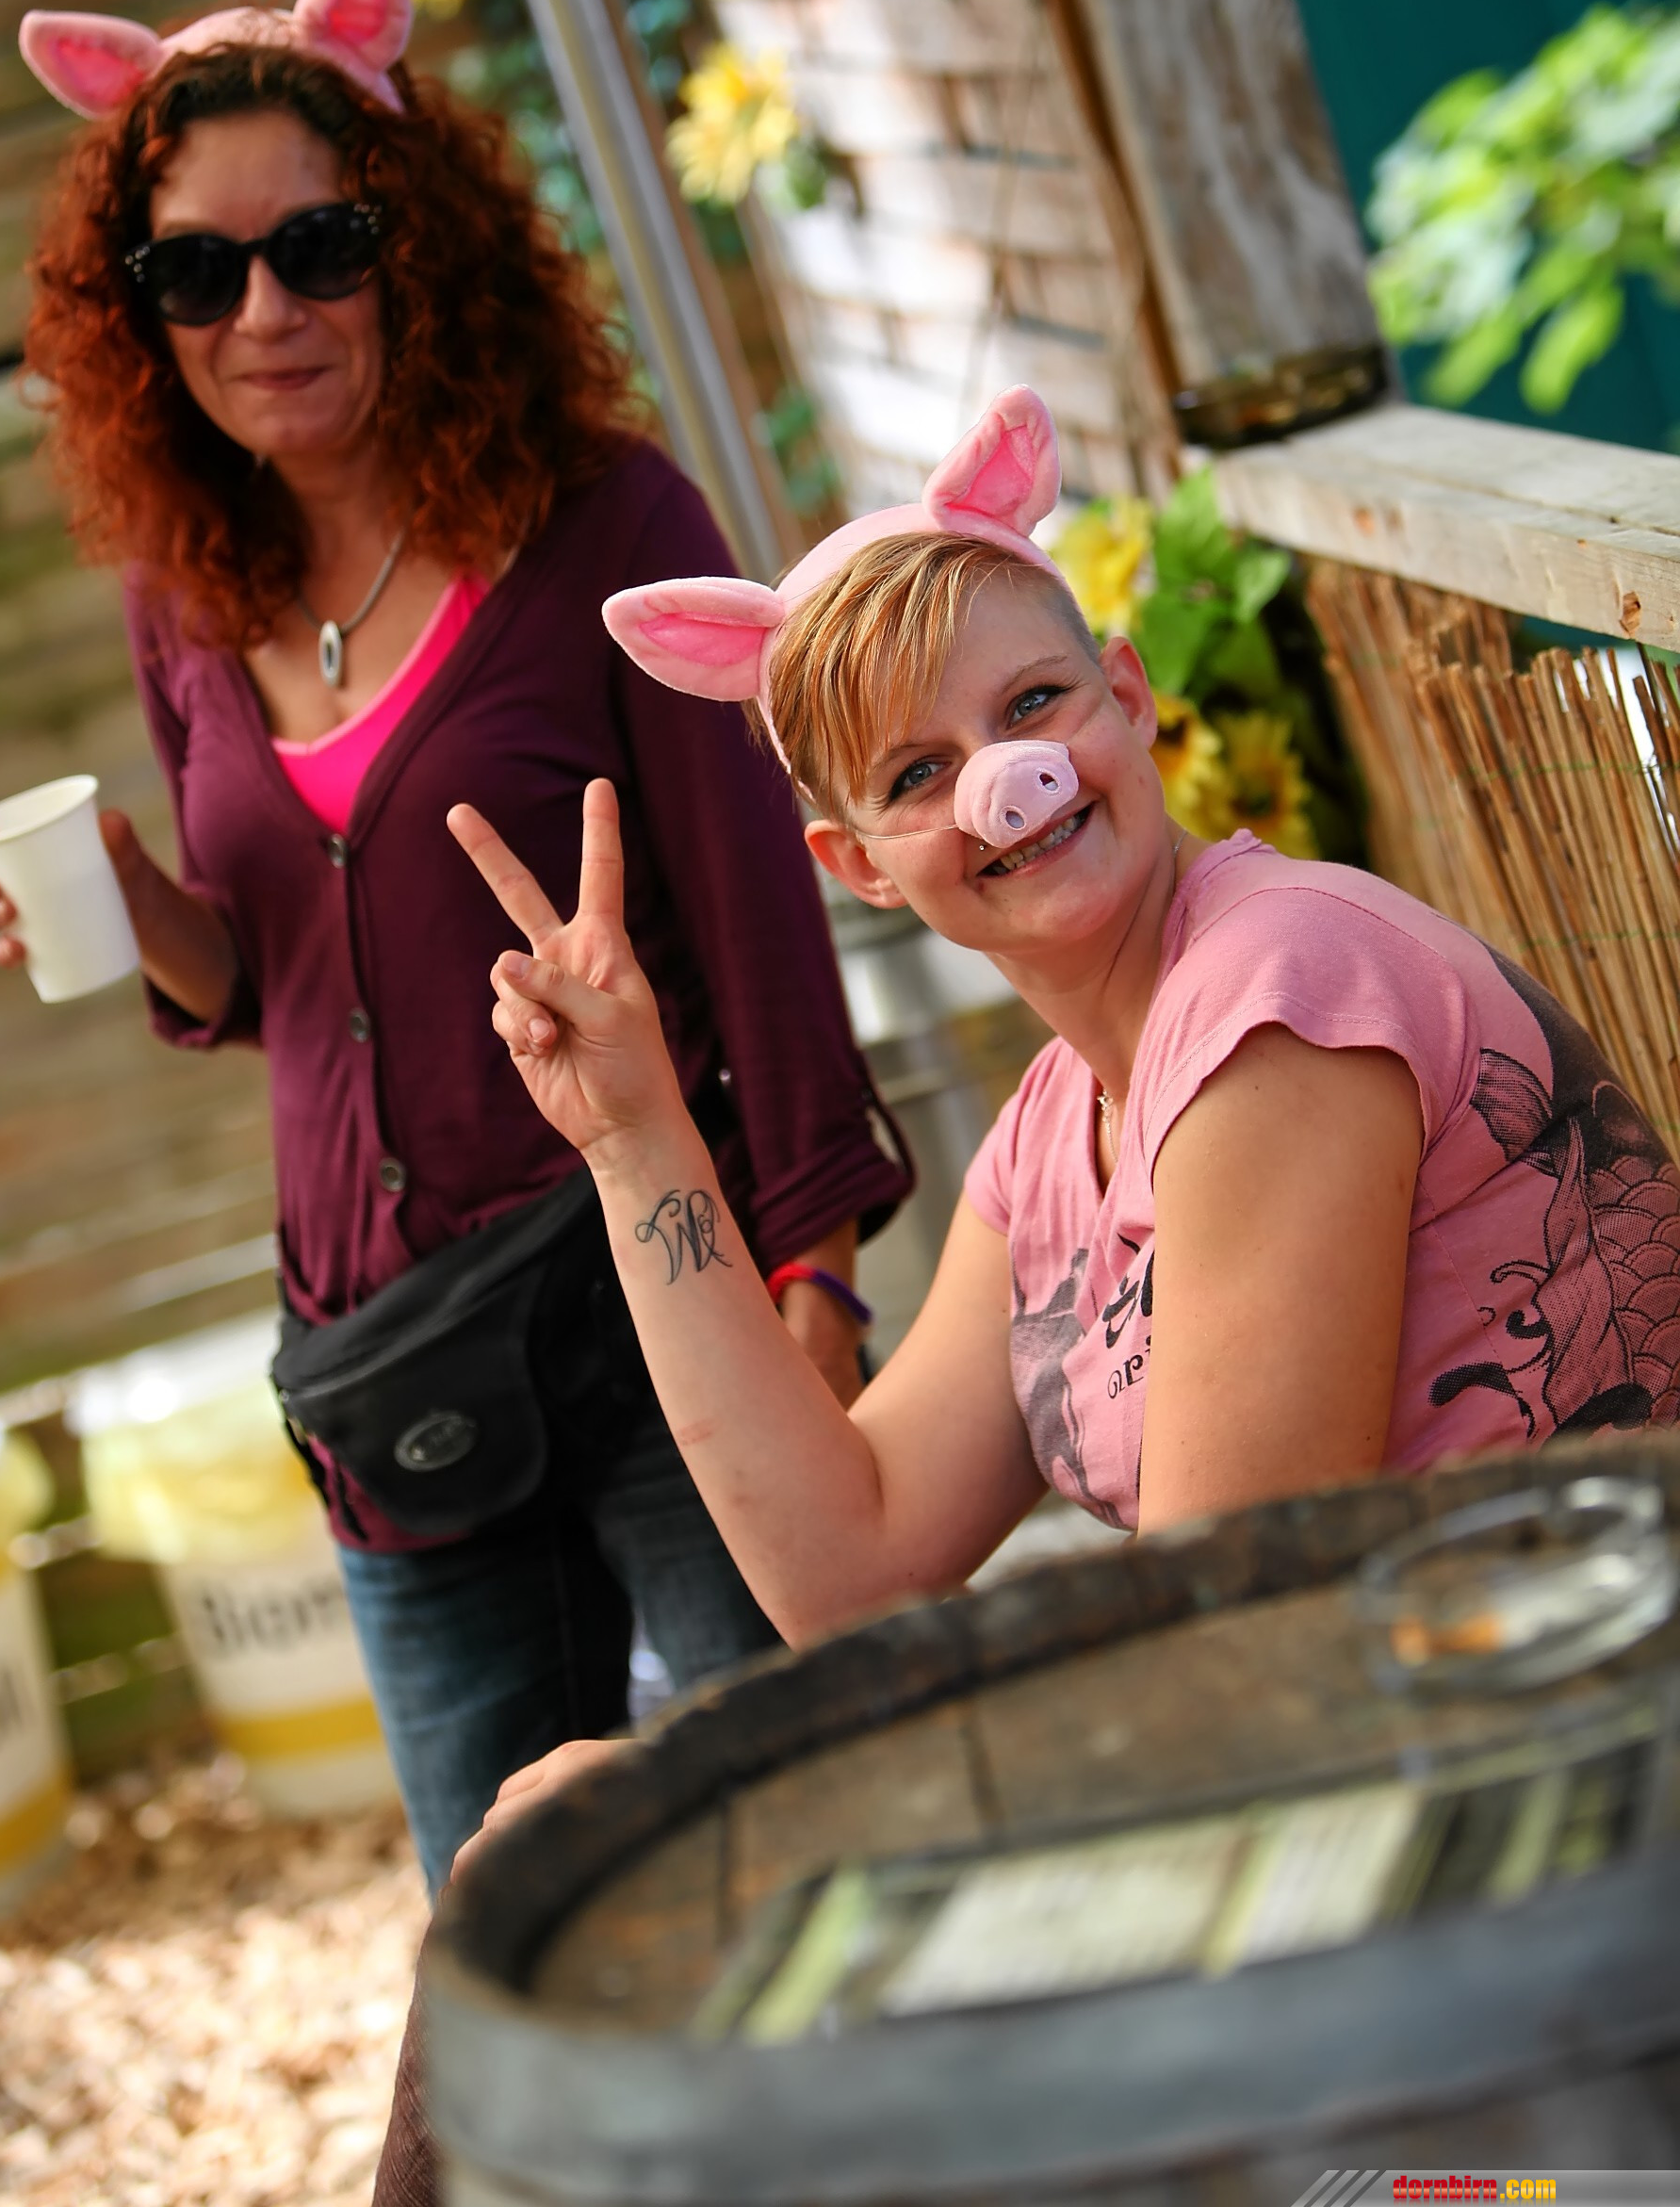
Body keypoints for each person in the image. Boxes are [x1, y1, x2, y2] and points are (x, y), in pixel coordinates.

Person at [0, 0, 909, 1895]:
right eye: (196, 271)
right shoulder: (183, 590)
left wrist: (814, 1276)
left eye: (319, 247)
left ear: (418, 247)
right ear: (139, 310)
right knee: (503, 1917)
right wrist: (124, 899)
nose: (261, 312)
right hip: (391, 1370)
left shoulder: (607, 521)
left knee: (806, 1866)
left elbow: (759, 919)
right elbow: (267, 978)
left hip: (667, 1310)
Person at [443, 379, 1680, 1839]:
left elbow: (1223, 1630)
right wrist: (635, 1138)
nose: (1003, 783)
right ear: (861, 867)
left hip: (1597, 1768)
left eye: (1032, 705)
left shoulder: (1280, 993)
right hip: (1436, 1771)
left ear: (1129, 697)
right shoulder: (1047, 1135)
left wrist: (724, 1792)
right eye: (919, 773)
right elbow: (853, 1564)